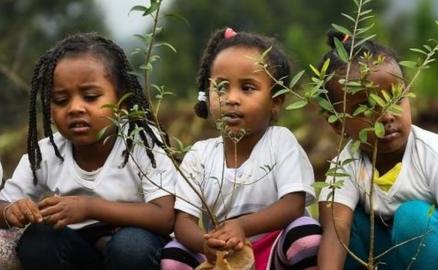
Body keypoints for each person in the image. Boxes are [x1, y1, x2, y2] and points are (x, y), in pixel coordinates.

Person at [0, 33, 176, 270]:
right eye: (61, 100)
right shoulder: (46, 153)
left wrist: (88, 207)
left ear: (122, 99)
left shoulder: (142, 143)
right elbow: (4, 202)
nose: (75, 108)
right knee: (38, 239)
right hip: (78, 252)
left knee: (130, 246)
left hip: (136, 251)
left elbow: (164, 217)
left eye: (90, 97)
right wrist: (11, 211)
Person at [316, 31, 438, 270]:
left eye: (395, 98)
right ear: (338, 123)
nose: (386, 115)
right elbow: (336, 231)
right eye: (366, 106)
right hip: (394, 259)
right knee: (344, 223)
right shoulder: (346, 164)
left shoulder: (437, 154)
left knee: (412, 218)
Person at [161, 27, 322, 270]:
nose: (231, 98)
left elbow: (293, 205)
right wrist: (206, 245)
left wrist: (243, 226)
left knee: (306, 236)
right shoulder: (199, 155)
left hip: (272, 252)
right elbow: (184, 221)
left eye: (247, 88)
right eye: (222, 87)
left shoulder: (280, 142)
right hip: (221, 258)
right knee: (174, 255)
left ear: (275, 101)